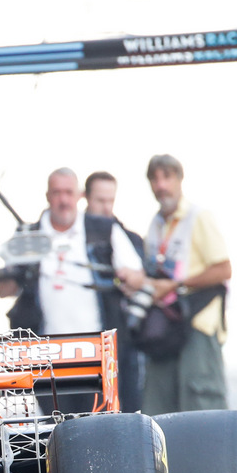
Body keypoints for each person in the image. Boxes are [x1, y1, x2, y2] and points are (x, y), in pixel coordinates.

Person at [0, 168, 144, 411]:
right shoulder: (28, 235)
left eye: (68, 193)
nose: (63, 200)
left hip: (98, 356)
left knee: (102, 426)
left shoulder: (104, 229)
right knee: (59, 432)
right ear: (47, 196)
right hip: (48, 359)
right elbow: (5, 291)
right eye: (57, 193)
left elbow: (138, 278)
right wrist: (18, 267)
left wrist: (127, 277)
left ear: (79, 196)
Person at [136, 154, 232, 416]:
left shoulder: (198, 217)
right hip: (166, 323)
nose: (161, 185)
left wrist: (177, 284)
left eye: (167, 177)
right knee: (159, 404)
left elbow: (223, 269)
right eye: (154, 179)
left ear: (179, 179)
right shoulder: (155, 224)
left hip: (198, 318)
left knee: (201, 401)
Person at [84, 169, 146, 412]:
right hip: (85, 341)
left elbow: (140, 279)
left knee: (127, 407)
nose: (106, 207)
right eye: (100, 200)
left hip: (123, 340)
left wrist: (131, 278)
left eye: (111, 200)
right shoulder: (74, 238)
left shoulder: (127, 238)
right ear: (86, 198)